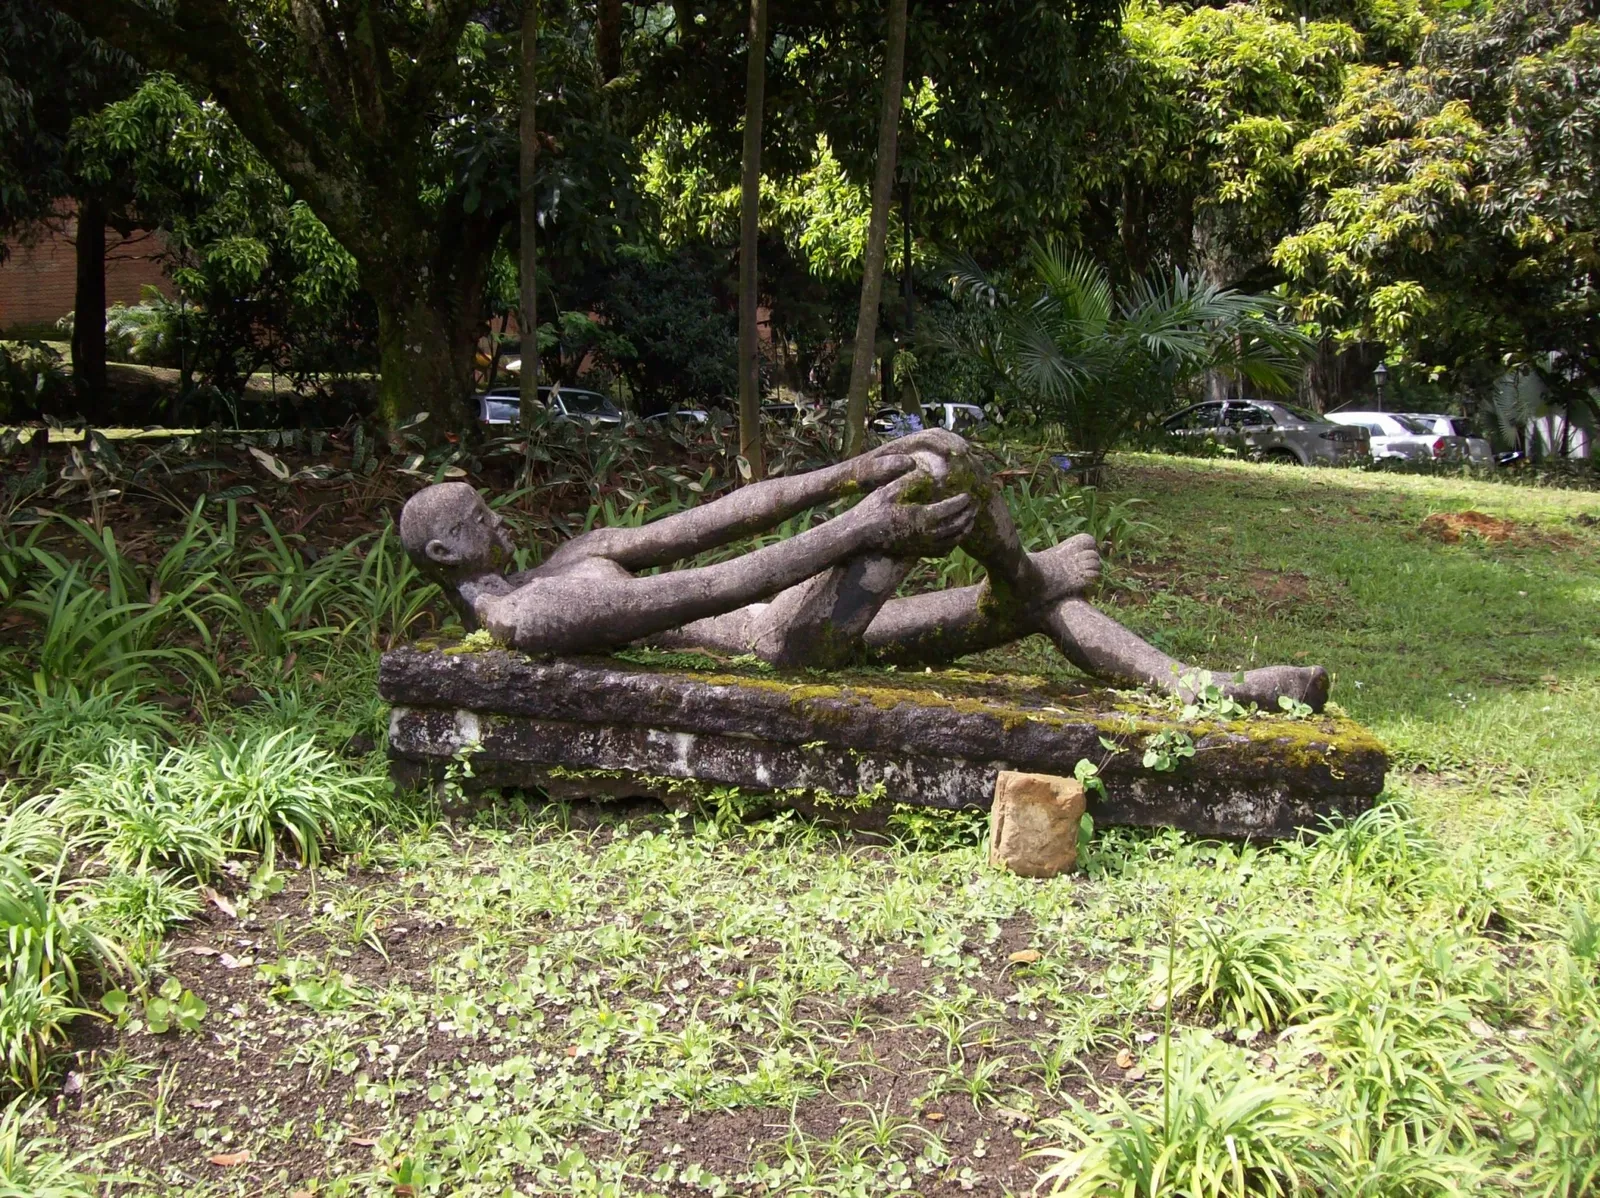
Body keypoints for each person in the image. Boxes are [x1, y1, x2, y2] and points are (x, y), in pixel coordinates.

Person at [400, 430, 1329, 710]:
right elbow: (720, 587)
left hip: (815, 618)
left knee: (1029, 603)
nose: (498, 518)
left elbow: (721, 520)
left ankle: (1213, 689)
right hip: (784, 641)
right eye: (477, 521)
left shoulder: (565, 559)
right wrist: (862, 523)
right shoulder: (525, 619)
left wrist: (849, 473)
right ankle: (1028, 567)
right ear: (445, 554)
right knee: (938, 486)